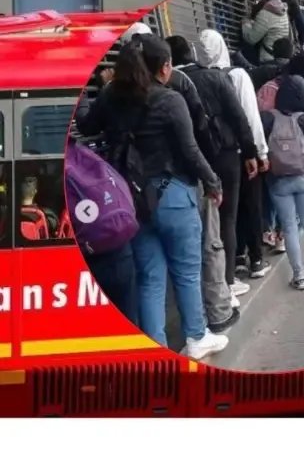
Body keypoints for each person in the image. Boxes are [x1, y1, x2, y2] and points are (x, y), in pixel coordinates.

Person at [76, 36, 227, 360]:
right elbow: (190, 151)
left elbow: (86, 125)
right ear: (163, 68)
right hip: (172, 195)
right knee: (186, 271)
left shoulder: (109, 97)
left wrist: (90, 89)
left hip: (132, 200)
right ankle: (196, 337)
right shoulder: (171, 100)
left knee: (150, 278)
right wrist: (213, 182)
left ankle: (155, 349)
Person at [167, 35, 258, 329]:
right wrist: (251, 151)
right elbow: (239, 116)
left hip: (188, 164)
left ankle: (209, 297)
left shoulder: (168, 85)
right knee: (225, 221)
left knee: (200, 230)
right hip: (225, 156)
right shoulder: (217, 78)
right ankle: (227, 285)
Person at [194, 29, 273, 282]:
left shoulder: (194, 79)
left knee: (229, 210)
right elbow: (249, 117)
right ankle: (257, 259)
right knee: (252, 205)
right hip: (241, 152)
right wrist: (260, 152)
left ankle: (236, 259)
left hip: (214, 154)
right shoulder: (236, 75)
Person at [261, 76, 304, 291]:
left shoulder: (267, 119)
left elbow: (260, 147)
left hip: (279, 182)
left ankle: (298, 276)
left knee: (289, 228)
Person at [242, 0, 292, 64]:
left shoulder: (265, 14)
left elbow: (251, 38)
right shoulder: (283, 9)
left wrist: (245, 23)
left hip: (268, 59)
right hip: (281, 57)